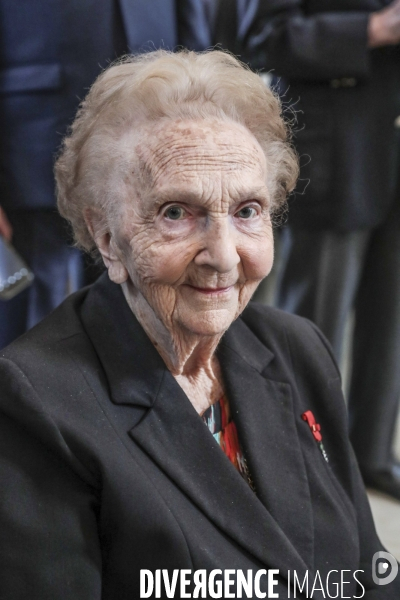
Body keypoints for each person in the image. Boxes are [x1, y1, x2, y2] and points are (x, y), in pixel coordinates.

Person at [0, 50, 399, 599]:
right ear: (107, 237)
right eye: (175, 213)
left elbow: (368, 573)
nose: (225, 256)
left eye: (247, 211)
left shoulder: (296, 348)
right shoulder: (38, 404)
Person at [241, 0, 400, 500]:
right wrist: (372, 29)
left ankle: (371, 455)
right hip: (338, 152)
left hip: (393, 151)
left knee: (392, 319)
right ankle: (299, 465)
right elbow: (261, 39)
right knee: (314, 326)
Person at [0, 0, 210, 349]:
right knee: (30, 326)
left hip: (154, 145)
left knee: (135, 323)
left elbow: (194, 43)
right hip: (29, 155)